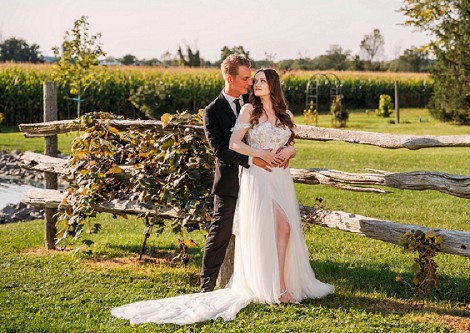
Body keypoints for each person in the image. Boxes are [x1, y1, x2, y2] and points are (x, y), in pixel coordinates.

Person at [111, 67, 333, 325]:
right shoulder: (250, 110)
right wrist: (260, 155)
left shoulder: (285, 113)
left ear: (273, 85)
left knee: (284, 230)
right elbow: (233, 144)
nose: (255, 84)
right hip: (258, 176)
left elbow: (290, 140)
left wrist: (289, 151)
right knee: (277, 228)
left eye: (261, 81)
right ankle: (277, 287)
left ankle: (280, 282)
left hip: (279, 177)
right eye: (254, 80)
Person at [199, 53, 271, 293]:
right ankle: (206, 285)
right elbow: (220, 151)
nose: (250, 83)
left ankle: (260, 282)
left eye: (251, 78)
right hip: (230, 183)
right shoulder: (212, 111)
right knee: (221, 232)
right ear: (229, 79)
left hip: (259, 181)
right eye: (245, 79)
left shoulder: (254, 101)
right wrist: (253, 159)